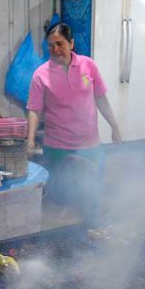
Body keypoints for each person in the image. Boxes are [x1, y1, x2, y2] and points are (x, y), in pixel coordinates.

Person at [25, 23, 121, 222]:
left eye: (60, 44)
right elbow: (34, 109)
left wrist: (115, 126)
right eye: (50, 46)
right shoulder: (40, 75)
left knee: (92, 193)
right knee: (60, 198)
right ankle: (62, 237)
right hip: (58, 147)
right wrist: (30, 140)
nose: (55, 50)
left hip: (90, 144)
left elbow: (100, 98)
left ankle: (92, 231)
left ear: (71, 43)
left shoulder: (88, 66)